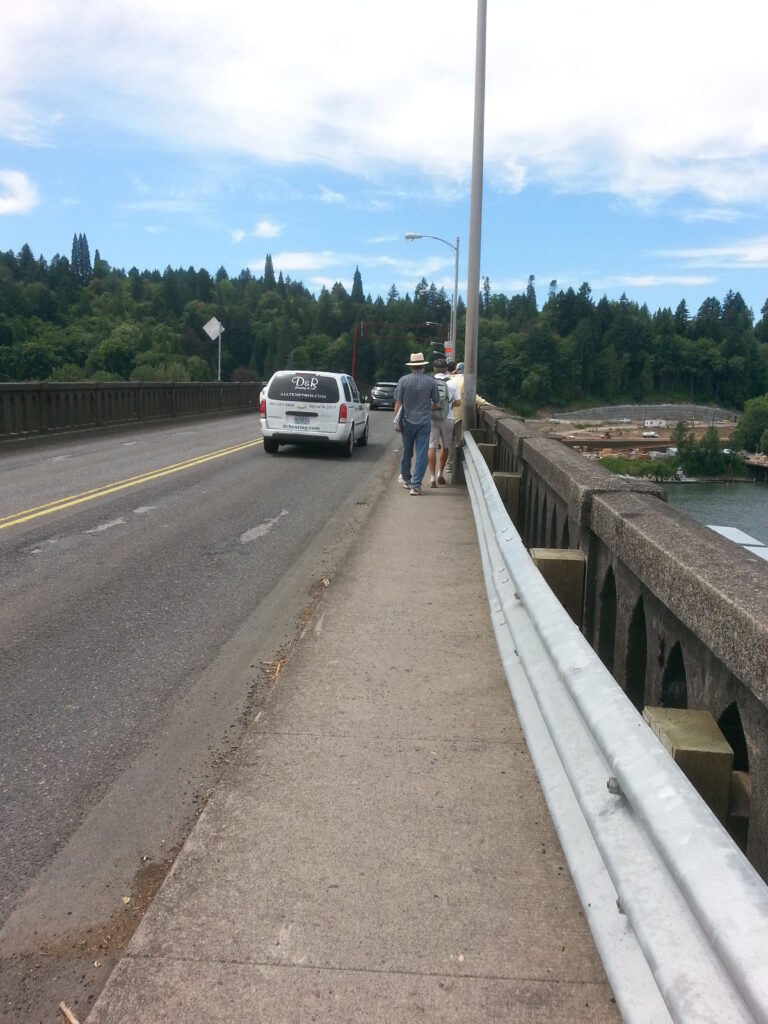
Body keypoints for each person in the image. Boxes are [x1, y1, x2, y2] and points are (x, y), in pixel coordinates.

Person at [393, 352, 440, 495]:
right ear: (423, 366)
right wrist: (428, 407)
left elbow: (398, 403)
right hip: (424, 422)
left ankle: (406, 479)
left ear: (411, 367)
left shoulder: (403, 380)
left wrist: (396, 422)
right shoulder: (431, 382)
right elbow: (437, 404)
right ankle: (416, 486)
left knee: (407, 451)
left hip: (407, 422)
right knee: (421, 454)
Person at [427, 357, 461, 486]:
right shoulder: (452, 383)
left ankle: (432, 478)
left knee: (432, 446)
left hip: (432, 417)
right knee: (445, 446)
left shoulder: (429, 382)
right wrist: (448, 405)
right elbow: (458, 402)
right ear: (446, 369)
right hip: (448, 417)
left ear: (434, 369)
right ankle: (440, 474)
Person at [445, 360, 464, 474]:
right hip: (459, 416)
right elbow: (472, 396)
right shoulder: (465, 380)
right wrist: (484, 402)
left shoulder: (449, 380)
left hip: (447, 415)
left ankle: (449, 464)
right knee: (460, 441)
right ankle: (459, 466)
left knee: (449, 441)